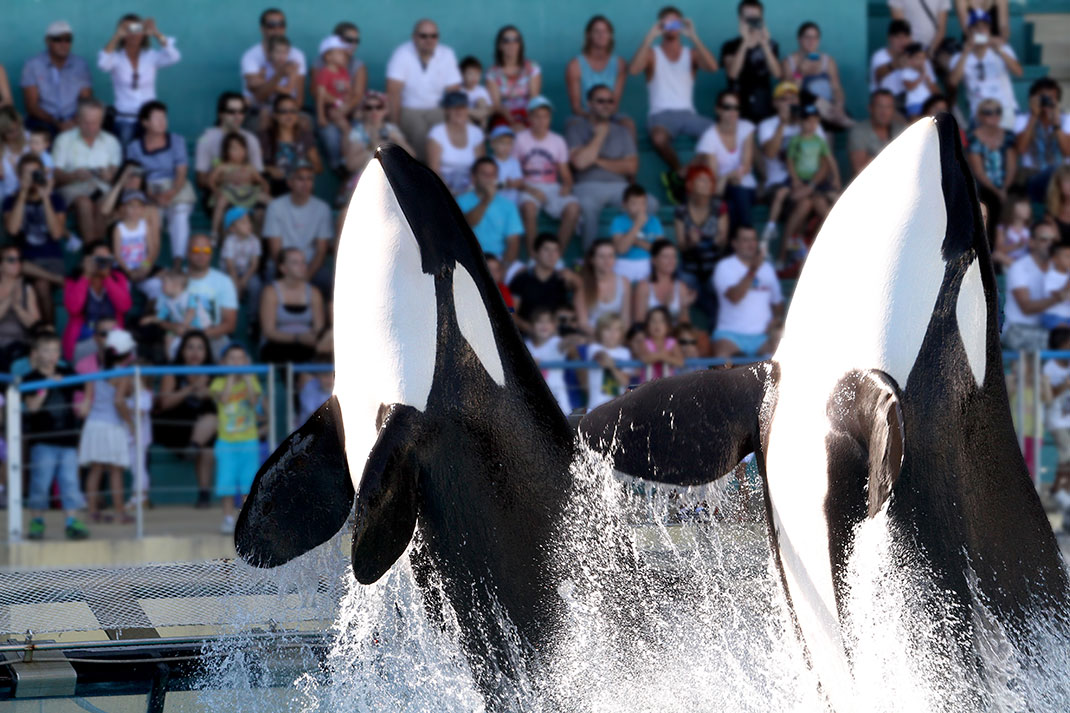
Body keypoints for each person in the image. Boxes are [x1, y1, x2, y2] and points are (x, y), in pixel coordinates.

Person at [630, 6, 719, 198]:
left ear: (681, 25)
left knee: (716, 133)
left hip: (688, 114)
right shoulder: (653, 53)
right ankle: (679, 170)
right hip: (661, 114)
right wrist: (649, 37)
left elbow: (712, 67)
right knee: (658, 139)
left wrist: (693, 36)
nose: (671, 27)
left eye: (675, 22)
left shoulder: (691, 53)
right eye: (666, 22)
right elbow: (634, 70)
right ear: (660, 25)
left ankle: (682, 173)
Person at [566, 84, 650, 250]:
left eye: (610, 101)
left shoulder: (623, 131)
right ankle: (590, 261)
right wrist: (600, 135)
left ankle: (632, 249)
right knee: (587, 208)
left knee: (651, 204)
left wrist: (596, 160)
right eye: (600, 101)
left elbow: (631, 167)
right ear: (589, 103)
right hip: (587, 186)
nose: (606, 105)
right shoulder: (575, 128)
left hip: (620, 187)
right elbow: (580, 163)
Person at [24, 332, 89, 540]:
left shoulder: (66, 371)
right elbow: (32, 407)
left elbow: (87, 383)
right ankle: (37, 522)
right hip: (43, 442)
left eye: (55, 350)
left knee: (70, 483)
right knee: (40, 484)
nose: (52, 355)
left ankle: (72, 522)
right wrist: (46, 386)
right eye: (46, 350)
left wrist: (86, 402)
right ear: (36, 354)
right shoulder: (31, 378)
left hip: (68, 441)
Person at [125, 101, 195, 265]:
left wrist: (171, 192)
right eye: (156, 118)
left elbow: (181, 172)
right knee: (151, 217)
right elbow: (135, 179)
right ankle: (146, 266)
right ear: (145, 123)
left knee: (180, 213)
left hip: (175, 188)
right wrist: (153, 196)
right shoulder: (134, 147)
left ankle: (177, 262)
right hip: (149, 191)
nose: (162, 122)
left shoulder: (177, 140)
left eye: (164, 117)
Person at [758, 82, 827, 245]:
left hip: (808, 183)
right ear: (775, 103)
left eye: (793, 98)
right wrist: (783, 123)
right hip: (777, 185)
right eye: (784, 99)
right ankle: (788, 253)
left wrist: (810, 185)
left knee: (817, 202)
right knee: (806, 203)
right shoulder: (767, 125)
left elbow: (825, 162)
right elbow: (770, 153)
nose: (790, 103)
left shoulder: (811, 123)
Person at [154, 330, 217, 508]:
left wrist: (206, 392)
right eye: (190, 347)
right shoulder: (172, 372)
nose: (195, 352)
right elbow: (165, 403)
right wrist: (192, 388)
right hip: (173, 427)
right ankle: (193, 446)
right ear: (182, 351)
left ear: (206, 352)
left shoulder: (214, 373)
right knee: (207, 438)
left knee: (208, 442)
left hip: (200, 431)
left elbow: (220, 400)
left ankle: (204, 495)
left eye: (200, 348)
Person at [79, 328, 136, 524]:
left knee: (95, 470)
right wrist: (131, 424)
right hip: (112, 427)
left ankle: (92, 512)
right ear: (128, 354)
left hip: (93, 425)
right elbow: (119, 401)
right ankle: (120, 514)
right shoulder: (123, 374)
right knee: (116, 471)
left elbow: (89, 398)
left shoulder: (96, 372)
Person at [386, 19, 462, 161]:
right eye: (424, 36)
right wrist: (394, 126)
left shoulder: (447, 54)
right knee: (419, 135)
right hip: (410, 109)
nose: (429, 40)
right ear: (414, 37)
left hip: (437, 109)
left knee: (440, 136)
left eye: (433, 36)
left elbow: (454, 92)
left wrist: (454, 124)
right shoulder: (402, 54)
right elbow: (393, 93)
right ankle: (425, 175)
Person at [97, 14, 180, 145]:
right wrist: (117, 35)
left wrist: (156, 33)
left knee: (152, 156)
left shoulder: (151, 56)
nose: (133, 34)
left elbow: (174, 57)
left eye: (137, 29)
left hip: (150, 121)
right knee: (126, 159)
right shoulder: (117, 58)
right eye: (128, 30)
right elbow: (102, 64)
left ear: (143, 33)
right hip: (125, 120)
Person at [3, 154, 67, 321]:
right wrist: (23, 192)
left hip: (52, 259)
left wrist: (45, 197)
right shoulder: (11, 201)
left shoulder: (55, 199)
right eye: (27, 174)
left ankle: (47, 331)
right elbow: (12, 230)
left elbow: (57, 233)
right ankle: (47, 330)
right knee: (21, 267)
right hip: (25, 261)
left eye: (35, 173)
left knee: (41, 283)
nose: (32, 178)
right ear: (19, 176)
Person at [515, 96, 581, 255]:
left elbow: (565, 174)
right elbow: (514, 175)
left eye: (545, 116)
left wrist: (567, 185)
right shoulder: (520, 139)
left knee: (573, 208)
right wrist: (532, 190)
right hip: (527, 186)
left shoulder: (558, 141)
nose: (541, 120)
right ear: (530, 118)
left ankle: (556, 256)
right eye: (537, 116)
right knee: (529, 208)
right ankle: (534, 256)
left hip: (552, 187)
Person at [210, 343, 263, 535]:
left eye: (240, 358)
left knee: (248, 482)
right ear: (224, 362)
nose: (237, 362)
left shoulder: (253, 381)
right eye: (232, 358)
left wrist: (248, 377)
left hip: (249, 440)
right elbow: (223, 399)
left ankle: (246, 520)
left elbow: (254, 401)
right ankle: (227, 518)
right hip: (226, 441)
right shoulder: (218, 383)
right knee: (227, 482)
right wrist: (231, 377)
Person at [53, 98, 121, 241]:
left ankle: (98, 249)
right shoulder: (64, 139)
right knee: (84, 202)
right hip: (71, 188)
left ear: (102, 121)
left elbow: (115, 172)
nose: (90, 127)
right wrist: (73, 176)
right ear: (78, 119)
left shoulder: (111, 141)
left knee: (102, 201)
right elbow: (55, 174)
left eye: (95, 123)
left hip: (99, 187)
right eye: (86, 122)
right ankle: (92, 249)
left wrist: (108, 175)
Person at [711, 225, 784, 358]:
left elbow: (778, 303)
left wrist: (776, 319)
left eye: (753, 240)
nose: (751, 244)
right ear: (734, 243)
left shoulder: (767, 268)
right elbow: (734, 297)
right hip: (730, 335)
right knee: (722, 358)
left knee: (781, 357)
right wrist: (753, 270)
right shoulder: (725, 267)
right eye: (745, 240)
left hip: (763, 336)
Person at [262, 163, 334, 294]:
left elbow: (321, 250)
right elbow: (275, 251)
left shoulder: (322, 208)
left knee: (328, 280)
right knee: (269, 274)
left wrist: (304, 278)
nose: (305, 183)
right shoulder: (275, 207)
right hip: (283, 265)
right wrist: (289, 275)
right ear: (290, 182)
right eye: (300, 179)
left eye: (309, 179)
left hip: (310, 265)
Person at [780, 104, 839, 260]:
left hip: (816, 185)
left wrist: (836, 177)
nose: (811, 124)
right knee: (804, 205)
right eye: (807, 121)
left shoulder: (819, 140)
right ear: (801, 122)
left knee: (826, 204)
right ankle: (783, 255)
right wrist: (796, 181)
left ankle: (836, 244)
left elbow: (828, 161)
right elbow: (790, 161)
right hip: (800, 186)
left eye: (814, 121)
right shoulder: (796, 140)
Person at [696, 91, 758, 231]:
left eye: (736, 108)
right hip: (721, 188)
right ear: (718, 109)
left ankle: (742, 241)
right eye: (727, 107)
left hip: (745, 187)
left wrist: (727, 177)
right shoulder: (709, 136)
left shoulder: (746, 127)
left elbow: (746, 166)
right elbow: (713, 175)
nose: (732, 111)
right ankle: (747, 236)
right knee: (731, 202)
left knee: (735, 197)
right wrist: (729, 177)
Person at [673, 164, 728, 326]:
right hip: (690, 267)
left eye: (708, 181)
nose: (706, 184)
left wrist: (720, 240)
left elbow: (723, 242)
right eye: (701, 180)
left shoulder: (719, 207)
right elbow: (681, 246)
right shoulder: (681, 210)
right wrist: (690, 242)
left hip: (713, 266)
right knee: (682, 285)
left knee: (717, 285)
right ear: (690, 184)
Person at [949, 11, 1022, 130]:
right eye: (976, 27)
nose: (980, 30)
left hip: (1006, 109)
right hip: (980, 114)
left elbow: (1018, 72)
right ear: (969, 31)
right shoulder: (959, 57)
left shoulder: (1003, 49)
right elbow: (952, 82)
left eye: (984, 27)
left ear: (989, 30)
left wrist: (999, 49)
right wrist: (966, 51)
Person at [62, 241, 132, 362]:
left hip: (111, 333)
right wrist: (86, 276)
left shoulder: (118, 277)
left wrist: (107, 278)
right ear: (87, 260)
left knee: (127, 347)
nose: (103, 262)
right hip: (84, 336)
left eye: (107, 259)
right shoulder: (74, 280)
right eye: (99, 259)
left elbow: (124, 307)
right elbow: (73, 309)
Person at [20, 20, 92, 137]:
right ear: (47, 41)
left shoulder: (80, 65)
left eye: (68, 40)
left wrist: (74, 121)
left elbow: (86, 99)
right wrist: (57, 123)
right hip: (44, 120)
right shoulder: (32, 65)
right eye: (58, 39)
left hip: (74, 119)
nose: (64, 44)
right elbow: (31, 106)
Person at [1002, 221, 1063, 352]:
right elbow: (1026, 307)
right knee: (1061, 340)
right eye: (1044, 240)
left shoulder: (1059, 268)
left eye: (1053, 240)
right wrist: (1058, 298)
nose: (1050, 244)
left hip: (1048, 328)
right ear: (1031, 242)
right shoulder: (1019, 268)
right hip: (1017, 329)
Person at [259, 248, 325, 364]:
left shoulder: (314, 293)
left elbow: (319, 329)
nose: (302, 266)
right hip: (278, 346)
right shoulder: (271, 292)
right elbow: (268, 331)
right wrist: (298, 338)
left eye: (303, 262)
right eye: (295, 263)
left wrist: (311, 339)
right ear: (283, 268)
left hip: (307, 346)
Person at [176, 234, 238, 358]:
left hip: (214, 337)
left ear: (211, 254)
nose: (201, 254)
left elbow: (229, 324)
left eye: (206, 250)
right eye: (196, 250)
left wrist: (200, 337)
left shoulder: (224, 281)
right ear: (187, 253)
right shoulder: (174, 279)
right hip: (180, 336)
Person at [721, 0, 782, 124]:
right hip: (738, 105)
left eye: (755, 18)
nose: (751, 21)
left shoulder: (772, 44)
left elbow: (777, 74)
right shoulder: (730, 46)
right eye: (747, 17)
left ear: (762, 19)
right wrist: (745, 42)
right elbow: (733, 74)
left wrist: (765, 44)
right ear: (740, 19)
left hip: (763, 103)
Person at [565, 16, 630, 129]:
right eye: (597, 31)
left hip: (610, 115)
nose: (602, 35)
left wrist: (604, 119)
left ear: (610, 35)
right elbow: (576, 107)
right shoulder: (575, 65)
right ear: (588, 35)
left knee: (628, 124)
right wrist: (592, 118)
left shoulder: (620, 64)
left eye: (605, 31)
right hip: (584, 116)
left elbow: (614, 104)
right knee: (572, 124)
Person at [967, 98, 1017, 245]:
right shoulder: (974, 137)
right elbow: (979, 172)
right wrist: (998, 191)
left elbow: (1011, 166)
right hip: (985, 187)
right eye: (988, 112)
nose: (994, 115)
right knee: (990, 203)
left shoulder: (1007, 135)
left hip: (1006, 184)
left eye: (997, 112)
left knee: (1016, 200)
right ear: (980, 116)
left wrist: (1005, 188)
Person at [242, 9, 306, 121]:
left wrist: (267, 83)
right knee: (264, 116)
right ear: (262, 29)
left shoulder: (296, 56)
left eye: (281, 24)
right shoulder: (251, 56)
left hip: (287, 108)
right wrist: (279, 76)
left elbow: (298, 96)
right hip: (259, 108)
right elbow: (259, 96)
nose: (277, 29)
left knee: (305, 121)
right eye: (271, 25)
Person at [457, 158, 522, 270]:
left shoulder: (508, 205)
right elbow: (467, 225)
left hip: (499, 259)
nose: (489, 178)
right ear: (474, 177)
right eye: (484, 174)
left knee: (522, 273)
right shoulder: (460, 201)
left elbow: (513, 242)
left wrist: (504, 267)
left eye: (492, 174)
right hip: (470, 258)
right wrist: (487, 199)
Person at [508, 234, 579, 335]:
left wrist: (574, 278)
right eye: (546, 249)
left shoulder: (564, 280)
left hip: (557, 337)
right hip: (527, 336)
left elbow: (581, 293)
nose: (552, 255)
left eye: (555, 250)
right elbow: (511, 312)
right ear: (535, 253)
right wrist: (530, 329)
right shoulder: (521, 280)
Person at [1014, 78, 1070, 205]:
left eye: (1051, 98)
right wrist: (1034, 117)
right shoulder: (1023, 119)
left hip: (1060, 176)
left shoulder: (1066, 120)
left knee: (1058, 173)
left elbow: (1067, 152)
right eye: (1043, 97)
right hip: (1031, 174)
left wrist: (1056, 124)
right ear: (1033, 98)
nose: (1047, 101)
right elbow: (1020, 149)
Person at [783, 22, 850, 127]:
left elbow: (837, 88)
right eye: (807, 37)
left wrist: (839, 105)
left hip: (829, 108)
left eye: (815, 38)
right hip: (805, 111)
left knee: (834, 118)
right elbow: (790, 93)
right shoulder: (789, 62)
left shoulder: (828, 61)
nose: (811, 41)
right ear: (799, 39)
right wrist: (799, 72)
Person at [194, 92, 264, 192]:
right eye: (231, 112)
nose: (237, 116)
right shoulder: (206, 139)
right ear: (220, 114)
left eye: (241, 111)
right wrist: (226, 179)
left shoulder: (251, 138)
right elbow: (200, 180)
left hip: (248, 193)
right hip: (218, 194)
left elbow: (258, 176)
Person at [340, 90, 412, 183]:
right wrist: (373, 147)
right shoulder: (357, 133)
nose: (374, 111)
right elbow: (350, 165)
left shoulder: (392, 129)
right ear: (363, 111)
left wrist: (399, 141)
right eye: (369, 108)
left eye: (379, 107)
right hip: (365, 180)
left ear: (385, 110)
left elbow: (412, 158)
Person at [207, 132, 269, 239]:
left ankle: (272, 233)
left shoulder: (249, 167)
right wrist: (215, 190)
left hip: (248, 193)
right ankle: (214, 231)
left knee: (270, 201)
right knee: (221, 201)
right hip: (229, 193)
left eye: (242, 149)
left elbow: (261, 180)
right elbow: (211, 180)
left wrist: (265, 188)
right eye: (234, 149)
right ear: (226, 151)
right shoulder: (223, 166)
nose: (238, 152)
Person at [261, 94, 322, 198]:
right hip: (276, 186)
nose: (289, 115)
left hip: (300, 187)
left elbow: (318, 167)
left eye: (293, 111)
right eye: (283, 112)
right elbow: (254, 165)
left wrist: (302, 171)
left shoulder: (305, 136)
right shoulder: (265, 137)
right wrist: (269, 169)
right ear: (275, 115)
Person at [525, 307, 583, 414]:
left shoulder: (556, 342)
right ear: (532, 326)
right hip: (534, 398)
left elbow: (567, 343)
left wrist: (572, 340)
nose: (544, 325)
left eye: (548, 322)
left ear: (554, 327)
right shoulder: (526, 345)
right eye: (539, 321)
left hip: (558, 400)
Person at [315, 35, 360, 170]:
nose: (344, 56)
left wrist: (348, 102)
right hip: (332, 109)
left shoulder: (343, 72)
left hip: (343, 108)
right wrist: (321, 117)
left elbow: (349, 91)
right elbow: (320, 96)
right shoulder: (325, 73)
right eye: (340, 53)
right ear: (328, 57)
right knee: (347, 129)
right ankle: (343, 159)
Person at [427, 91, 485, 195]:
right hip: (443, 187)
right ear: (447, 110)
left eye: (462, 107)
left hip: (471, 188)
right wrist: (449, 192)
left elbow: (481, 167)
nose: (458, 112)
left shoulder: (476, 133)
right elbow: (434, 169)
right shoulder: (437, 132)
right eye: (454, 108)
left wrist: (470, 191)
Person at [486, 26, 542, 128]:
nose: (512, 44)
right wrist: (512, 122)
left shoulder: (532, 68)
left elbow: (534, 98)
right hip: (504, 116)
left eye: (516, 40)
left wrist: (524, 121)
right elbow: (497, 105)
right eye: (506, 41)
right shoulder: (492, 73)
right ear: (500, 45)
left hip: (528, 115)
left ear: (520, 44)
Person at [111, 190, 161, 299]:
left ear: (143, 209)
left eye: (139, 207)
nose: (135, 210)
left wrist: (144, 268)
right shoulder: (119, 228)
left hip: (142, 267)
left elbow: (151, 251)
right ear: (123, 208)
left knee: (156, 287)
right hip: (124, 268)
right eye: (131, 206)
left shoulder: (145, 226)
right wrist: (129, 272)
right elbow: (117, 255)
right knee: (122, 288)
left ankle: (150, 314)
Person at [610, 184, 664, 283]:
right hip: (624, 263)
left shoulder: (654, 221)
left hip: (648, 262)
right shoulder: (618, 221)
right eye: (634, 204)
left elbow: (660, 250)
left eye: (642, 203)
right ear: (624, 205)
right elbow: (621, 249)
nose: (639, 207)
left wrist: (636, 242)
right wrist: (637, 225)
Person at [634, 239, 695, 325]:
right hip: (650, 337)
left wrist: (684, 307)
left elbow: (685, 324)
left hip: (675, 336)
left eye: (674, 256)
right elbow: (639, 321)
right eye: (665, 257)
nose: (671, 261)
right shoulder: (644, 287)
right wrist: (665, 308)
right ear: (654, 260)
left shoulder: (681, 287)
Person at [575, 239, 631, 332]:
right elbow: (583, 323)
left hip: (617, 337)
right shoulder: (582, 284)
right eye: (601, 256)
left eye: (610, 256)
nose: (607, 261)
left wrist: (616, 338)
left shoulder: (624, 282)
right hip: (592, 336)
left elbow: (626, 319)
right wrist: (602, 338)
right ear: (592, 260)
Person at [1043, 327, 1070, 523]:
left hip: (1067, 416)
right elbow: (1048, 397)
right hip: (1055, 419)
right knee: (1067, 454)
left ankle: (1060, 490)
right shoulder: (1050, 368)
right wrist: (1065, 385)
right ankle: (1058, 491)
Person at [0, 246, 41, 370]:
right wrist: (10, 299)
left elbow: (34, 325)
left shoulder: (26, 288)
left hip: (20, 345)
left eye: (19, 259)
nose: (17, 263)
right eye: (11, 260)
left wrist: (17, 307)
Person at [848, 90, 905, 176]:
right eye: (879, 106)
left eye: (888, 107)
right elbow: (860, 168)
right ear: (870, 108)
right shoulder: (859, 131)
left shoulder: (900, 129)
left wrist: (872, 159)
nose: (884, 112)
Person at [220, 206, 263, 318]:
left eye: (249, 221)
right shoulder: (229, 241)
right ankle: (228, 316)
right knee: (228, 286)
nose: (248, 225)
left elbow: (254, 265)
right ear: (233, 228)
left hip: (247, 272)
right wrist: (237, 285)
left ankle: (252, 318)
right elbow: (230, 266)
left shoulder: (255, 240)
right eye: (243, 222)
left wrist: (244, 280)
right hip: (228, 273)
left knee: (256, 285)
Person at [586, 312, 633, 409]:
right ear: (600, 332)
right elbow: (599, 355)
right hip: (596, 406)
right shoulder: (594, 348)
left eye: (616, 330)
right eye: (608, 329)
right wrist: (605, 359)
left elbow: (625, 381)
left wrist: (611, 366)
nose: (612, 334)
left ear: (621, 333)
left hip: (617, 406)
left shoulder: (625, 353)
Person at [881, 42, 940, 118]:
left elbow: (932, 88)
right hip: (914, 104)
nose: (921, 61)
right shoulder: (906, 72)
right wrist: (921, 76)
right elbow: (910, 87)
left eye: (923, 58)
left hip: (927, 103)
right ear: (910, 59)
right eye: (918, 58)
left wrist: (925, 77)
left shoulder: (925, 72)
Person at [634, 306, 684, 382]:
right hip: (647, 386)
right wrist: (661, 355)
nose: (657, 324)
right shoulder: (645, 343)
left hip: (668, 385)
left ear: (668, 326)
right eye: (653, 321)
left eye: (661, 321)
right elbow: (645, 359)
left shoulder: (672, 342)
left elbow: (680, 362)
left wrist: (662, 357)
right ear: (647, 326)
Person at [869, 19, 913, 92]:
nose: (902, 41)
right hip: (887, 99)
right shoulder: (879, 55)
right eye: (898, 37)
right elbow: (877, 76)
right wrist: (894, 65)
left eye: (905, 37)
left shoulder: (916, 54)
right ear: (890, 38)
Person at [487, 123, 524, 204]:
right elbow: (486, 184)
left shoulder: (514, 162)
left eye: (509, 143)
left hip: (512, 203)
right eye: (502, 143)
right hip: (493, 203)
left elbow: (520, 181)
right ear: (492, 144)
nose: (506, 147)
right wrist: (506, 184)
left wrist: (513, 183)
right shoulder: (488, 162)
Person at [992, 193, 1031, 270]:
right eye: (1023, 206)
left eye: (1028, 206)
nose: (1027, 209)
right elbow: (999, 249)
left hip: (1026, 261)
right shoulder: (1003, 228)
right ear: (1012, 208)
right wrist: (1017, 245)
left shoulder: (1030, 229)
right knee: (996, 254)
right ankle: (1020, 268)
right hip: (1009, 261)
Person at [458, 56, 493, 128]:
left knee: (481, 101)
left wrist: (467, 110)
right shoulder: (459, 90)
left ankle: (482, 131)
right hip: (466, 119)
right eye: (470, 74)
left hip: (480, 117)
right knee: (464, 116)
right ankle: (473, 133)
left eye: (477, 74)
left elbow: (487, 109)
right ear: (462, 75)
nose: (474, 77)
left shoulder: (482, 90)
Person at [1043, 242, 1070, 330]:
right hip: (1054, 316)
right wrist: (1067, 284)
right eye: (1067, 257)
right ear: (1055, 259)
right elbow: (1057, 296)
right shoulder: (1051, 276)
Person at [1049, 166, 1070, 244]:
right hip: (1058, 253)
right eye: (1066, 181)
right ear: (1058, 185)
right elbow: (1054, 241)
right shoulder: (1051, 210)